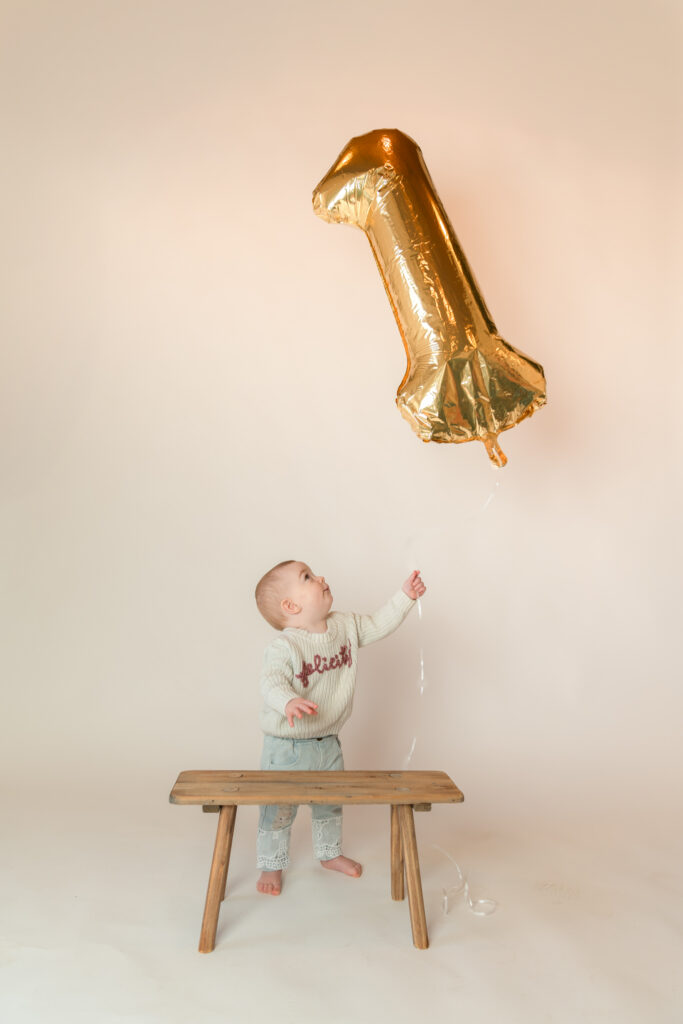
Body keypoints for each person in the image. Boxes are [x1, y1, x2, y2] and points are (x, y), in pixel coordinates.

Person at [254, 559, 426, 895]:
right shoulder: (284, 647)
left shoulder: (345, 626)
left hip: (328, 742)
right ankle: (271, 865)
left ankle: (329, 854)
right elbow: (271, 681)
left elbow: (378, 623)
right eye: (307, 577)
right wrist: (287, 701)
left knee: (329, 803)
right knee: (278, 808)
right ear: (291, 605)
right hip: (285, 747)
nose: (320, 577)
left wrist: (405, 596)